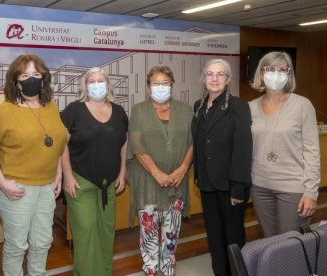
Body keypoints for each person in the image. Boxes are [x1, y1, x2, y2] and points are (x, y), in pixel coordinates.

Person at [0, 54, 67, 276]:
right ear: (15, 81)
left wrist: (59, 171)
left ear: (44, 78)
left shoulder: (51, 107)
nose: (31, 79)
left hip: (46, 187)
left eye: (36, 74)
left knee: (43, 242)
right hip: (17, 188)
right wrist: (1, 182)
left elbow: (58, 142)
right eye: (25, 75)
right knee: (16, 246)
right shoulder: (4, 111)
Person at [61, 67, 128, 276]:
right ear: (85, 85)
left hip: (109, 185)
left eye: (101, 80)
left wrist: (123, 171)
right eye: (92, 80)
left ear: (108, 84)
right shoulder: (74, 110)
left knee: (106, 234)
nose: (97, 84)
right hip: (81, 182)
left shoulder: (119, 112)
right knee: (86, 234)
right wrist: (68, 176)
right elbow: (61, 145)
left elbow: (123, 143)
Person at [127, 66, 193, 276]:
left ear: (172, 85)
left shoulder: (185, 110)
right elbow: (136, 146)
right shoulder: (139, 110)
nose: (160, 87)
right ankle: (151, 270)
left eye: (165, 83)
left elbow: (194, 143)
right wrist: (157, 173)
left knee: (171, 233)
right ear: (148, 87)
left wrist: (182, 169)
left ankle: (168, 269)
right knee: (149, 232)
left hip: (177, 181)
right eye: (156, 83)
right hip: (147, 181)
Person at [191, 59, 252, 276]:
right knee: (214, 237)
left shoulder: (238, 106)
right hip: (207, 184)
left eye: (220, 74)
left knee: (233, 238)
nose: (214, 78)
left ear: (228, 79)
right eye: (210, 74)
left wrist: (238, 188)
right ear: (204, 79)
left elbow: (243, 149)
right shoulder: (198, 106)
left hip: (230, 186)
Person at [250, 51, 320, 237]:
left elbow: (312, 151)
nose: (276, 74)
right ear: (261, 73)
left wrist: (311, 192)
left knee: (291, 244)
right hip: (259, 186)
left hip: (293, 188)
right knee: (270, 243)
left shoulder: (302, 105)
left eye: (282, 69)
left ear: (289, 74)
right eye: (271, 69)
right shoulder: (249, 107)